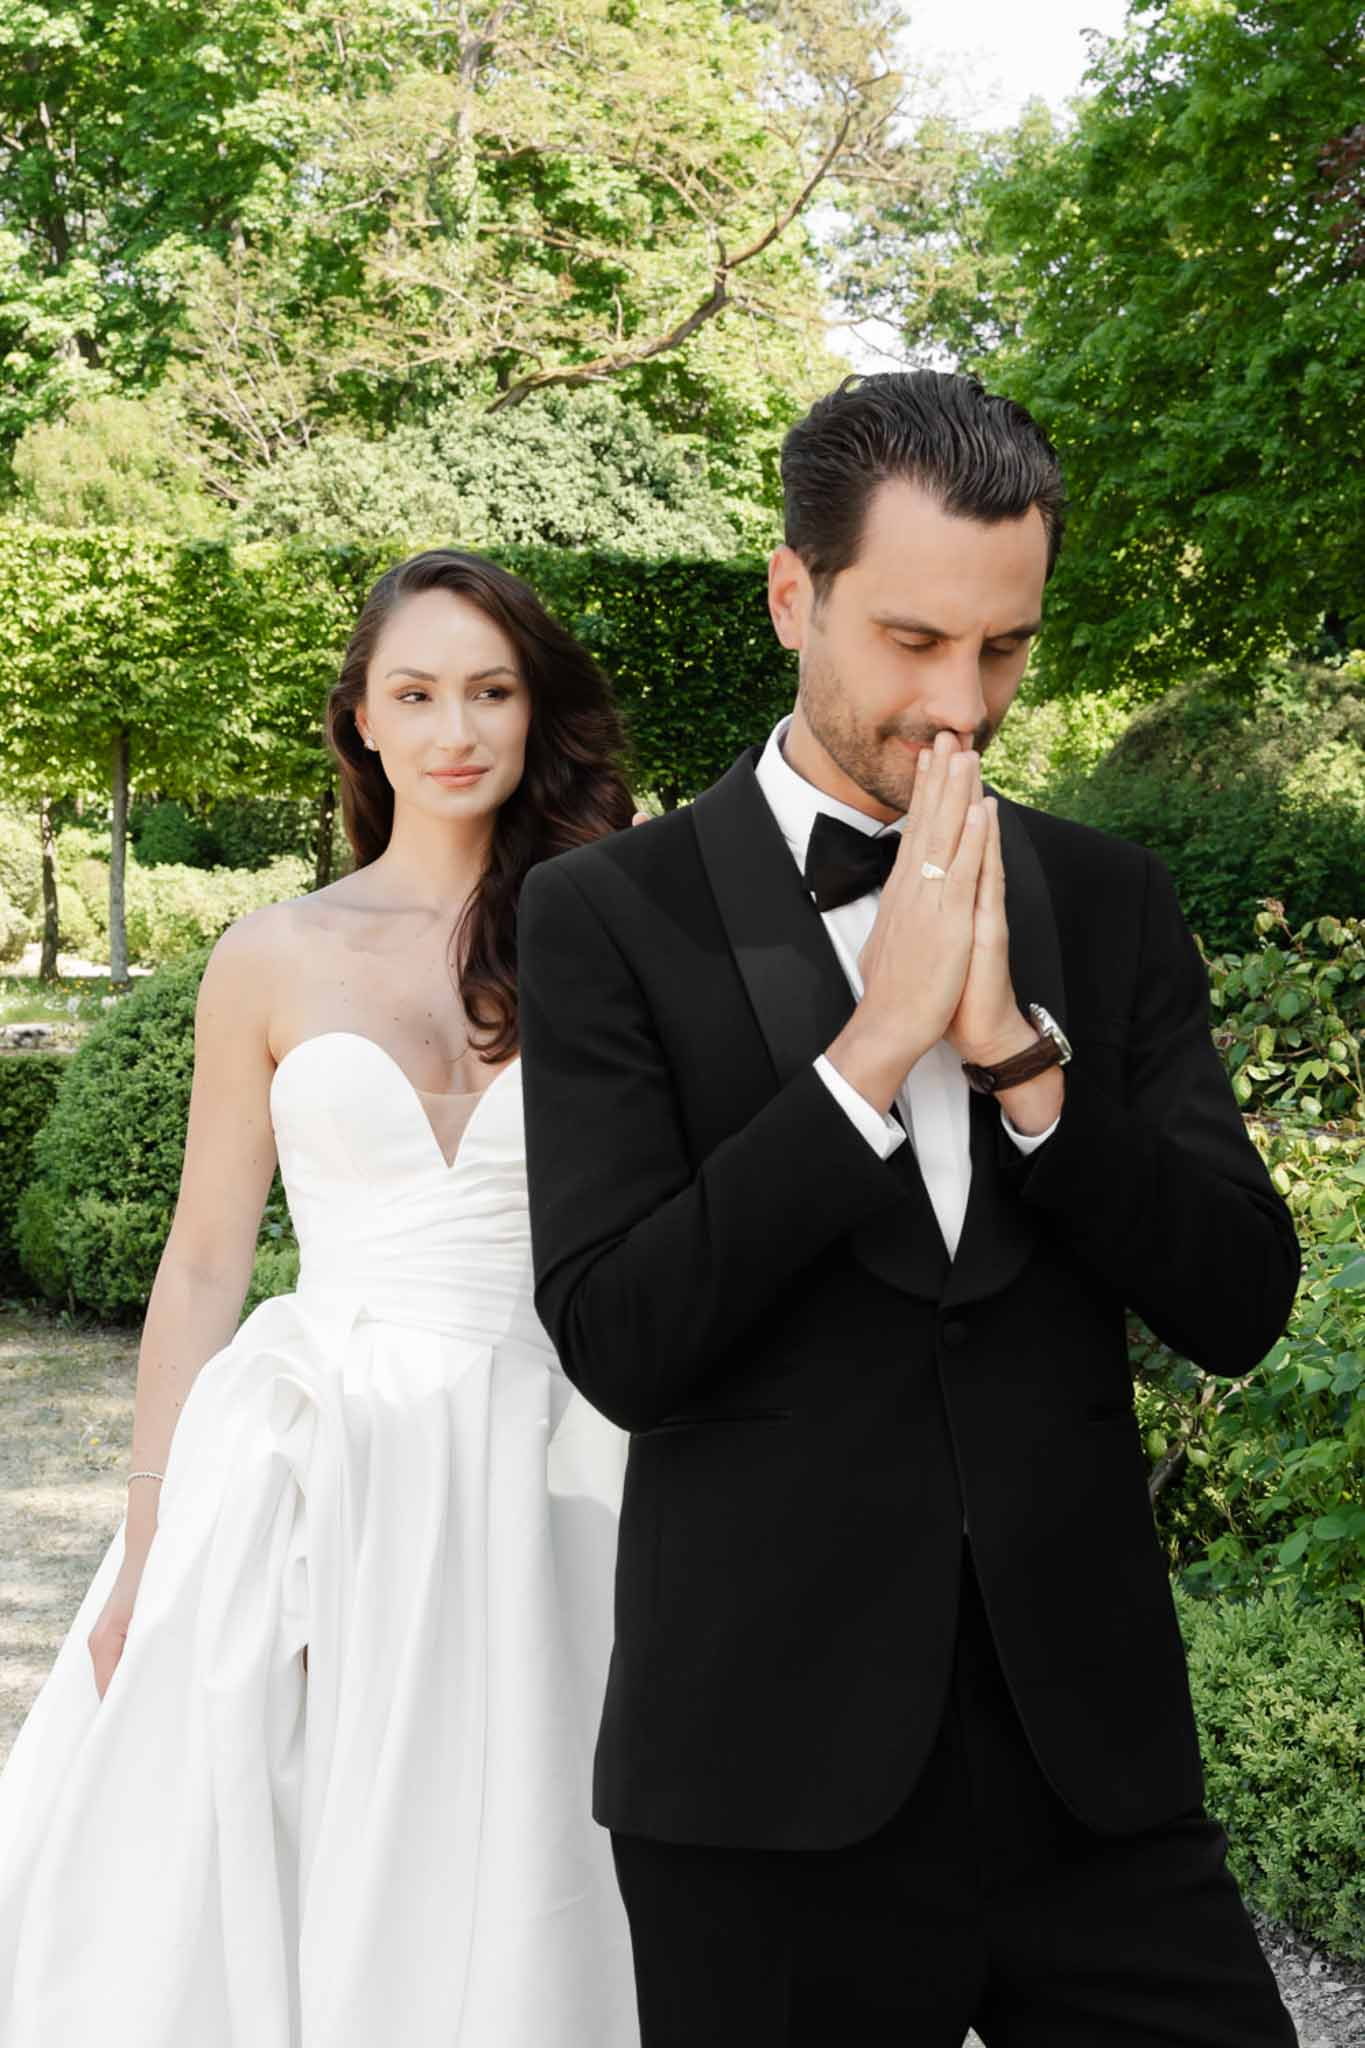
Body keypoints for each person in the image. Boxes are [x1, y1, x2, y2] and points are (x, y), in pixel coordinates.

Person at [518, 371, 1302, 2047]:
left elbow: (1236, 1300)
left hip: (1091, 1778)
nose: (960, 705)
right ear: (793, 592)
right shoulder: (605, 914)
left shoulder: (1106, 897)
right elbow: (619, 1339)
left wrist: (1017, 1056)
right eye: (911, 641)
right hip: (757, 1778)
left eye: (1002, 650)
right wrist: (870, 1056)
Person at [0, 549, 640, 2048]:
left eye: (489, 690)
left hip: (553, 1446)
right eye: (414, 694)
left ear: (534, 710)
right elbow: (207, 1256)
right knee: (268, 1816)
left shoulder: (605, 937)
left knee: (544, 1823)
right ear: (360, 719)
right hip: (316, 1449)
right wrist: (150, 1531)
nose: (454, 730)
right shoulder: (272, 953)